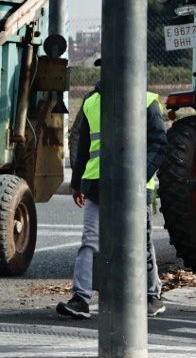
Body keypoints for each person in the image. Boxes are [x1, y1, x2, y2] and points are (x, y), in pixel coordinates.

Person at [58, 72, 167, 319]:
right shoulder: (91, 103)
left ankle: (152, 296)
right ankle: (80, 298)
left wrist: (139, 176)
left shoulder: (147, 101)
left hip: (135, 187)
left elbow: (159, 144)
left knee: (140, 241)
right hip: (98, 184)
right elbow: (84, 147)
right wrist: (77, 184)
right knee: (90, 240)